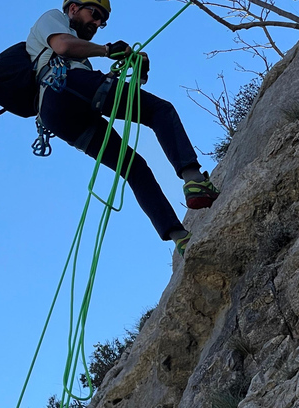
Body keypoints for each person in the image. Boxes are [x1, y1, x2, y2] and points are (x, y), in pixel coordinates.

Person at [27, 0, 220, 257]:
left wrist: (137, 71)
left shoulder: (80, 56)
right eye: (94, 14)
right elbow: (63, 46)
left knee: (133, 168)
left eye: (101, 21)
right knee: (160, 110)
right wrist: (107, 50)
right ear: (73, 8)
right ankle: (194, 179)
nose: (97, 23)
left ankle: (180, 238)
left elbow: (119, 99)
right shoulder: (53, 18)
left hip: (59, 114)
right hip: (64, 86)